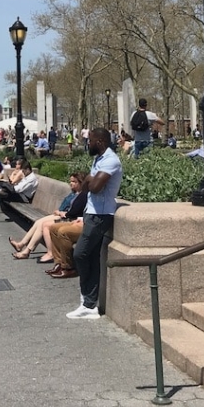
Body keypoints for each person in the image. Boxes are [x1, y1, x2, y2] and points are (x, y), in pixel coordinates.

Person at [68, 126, 123, 319]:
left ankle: (89, 302)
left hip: (101, 214)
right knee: (90, 256)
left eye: (90, 140)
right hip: (92, 212)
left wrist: (90, 180)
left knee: (80, 253)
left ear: (100, 142)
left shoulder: (110, 160)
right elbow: (85, 186)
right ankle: (89, 304)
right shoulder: (98, 159)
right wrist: (89, 181)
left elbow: (96, 188)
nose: (88, 143)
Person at [11, 172, 86, 260]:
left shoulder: (83, 195)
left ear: (81, 182)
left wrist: (60, 213)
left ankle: (27, 250)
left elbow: (73, 212)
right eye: (71, 181)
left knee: (43, 224)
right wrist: (60, 212)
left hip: (68, 218)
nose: (71, 183)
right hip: (63, 215)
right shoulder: (73, 193)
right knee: (39, 222)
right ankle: (22, 245)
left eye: (74, 182)